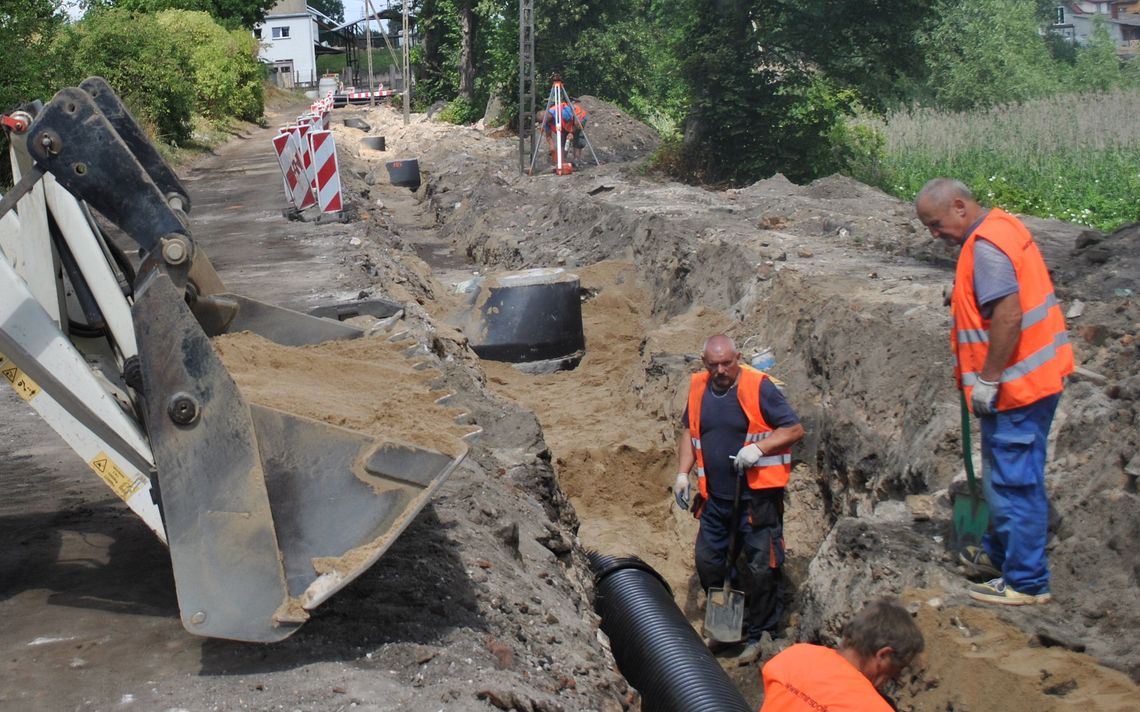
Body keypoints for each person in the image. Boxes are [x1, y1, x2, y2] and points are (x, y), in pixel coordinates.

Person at [915, 178, 1073, 606]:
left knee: (1014, 483)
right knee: (1005, 478)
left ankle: (1026, 582)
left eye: (935, 223)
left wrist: (989, 378)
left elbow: (1008, 314)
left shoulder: (985, 246)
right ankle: (1001, 556)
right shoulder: (1002, 226)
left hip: (1018, 388)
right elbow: (1001, 292)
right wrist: (962, 295)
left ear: (960, 207)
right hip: (1037, 379)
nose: (934, 234)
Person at [674, 334, 805, 662]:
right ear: (703, 362)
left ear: (738, 358)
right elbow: (690, 432)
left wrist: (758, 448)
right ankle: (730, 628)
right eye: (713, 364)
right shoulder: (698, 389)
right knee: (709, 562)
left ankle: (763, 633)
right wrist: (681, 473)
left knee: (762, 568)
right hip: (715, 500)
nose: (720, 370)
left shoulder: (759, 387)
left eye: (727, 363)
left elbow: (793, 429)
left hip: (756, 500)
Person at [758, 598, 925, 711]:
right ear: (883, 655)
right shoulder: (876, 707)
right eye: (897, 669)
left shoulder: (795, 655)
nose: (895, 676)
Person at [540, 97, 587, 165]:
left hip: (578, 117)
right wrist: (551, 146)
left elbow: (575, 123)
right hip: (566, 124)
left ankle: (577, 160)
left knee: (577, 138)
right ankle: (562, 160)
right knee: (562, 139)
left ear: (550, 117)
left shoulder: (562, 113)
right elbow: (548, 135)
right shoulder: (546, 121)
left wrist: (571, 133)